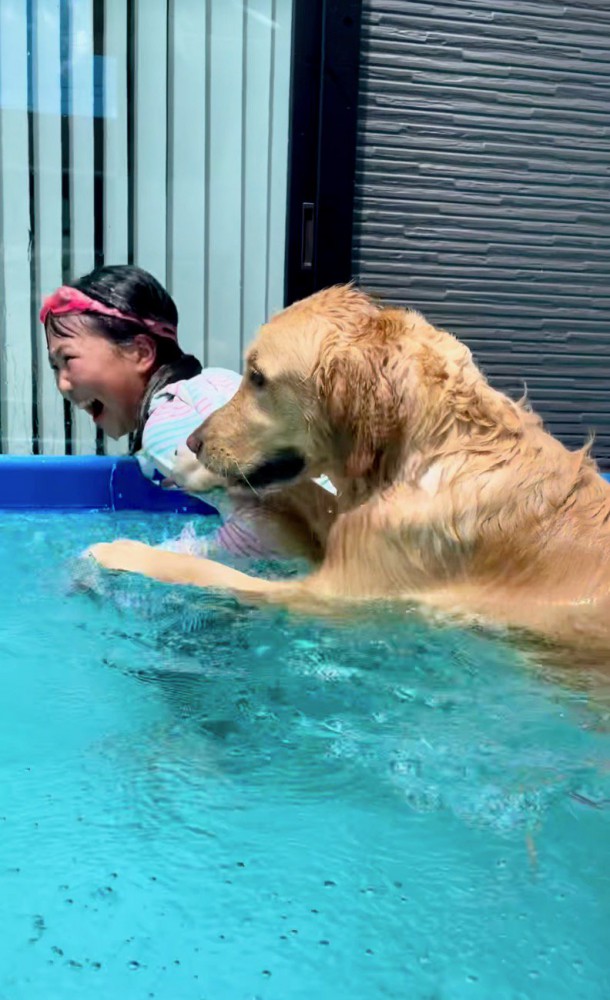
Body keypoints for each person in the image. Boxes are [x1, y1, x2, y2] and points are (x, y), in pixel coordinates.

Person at [41, 265, 336, 561]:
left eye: (68, 359)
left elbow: (270, 534)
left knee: (96, 564)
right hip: (355, 525)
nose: (62, 383)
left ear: (141, 352)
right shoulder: (217, 381)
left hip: (335, 554)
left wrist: (171, 561)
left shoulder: (165, 424)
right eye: (55, 367)